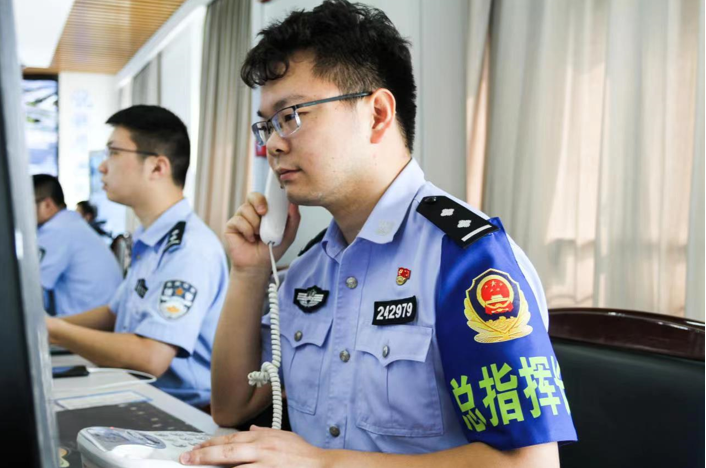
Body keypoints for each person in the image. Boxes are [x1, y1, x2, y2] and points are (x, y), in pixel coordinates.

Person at [187, 1, 577, 466]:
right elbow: (231, 407)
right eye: (267, 124)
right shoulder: (309, 268)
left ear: (376, 114)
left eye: (291, 115)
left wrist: (325, 463)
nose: (272, 143)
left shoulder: (465, 260)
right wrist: (249, 274)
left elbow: (529, 463)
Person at [45, 106, 228, 408]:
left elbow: (151, 357)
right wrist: (44, 327)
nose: (103, 167)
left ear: (157, 167)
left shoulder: (189, 248)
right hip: (139, 392)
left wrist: (55, 331)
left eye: (114, 153)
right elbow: (113, 313)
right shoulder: (151, 237)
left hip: (183, 409)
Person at [34, 174, 122, 317]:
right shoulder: (70, 223)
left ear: (47, 205)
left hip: (87, 322)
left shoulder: (56, 230)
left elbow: (31, 285)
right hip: (100, 317)